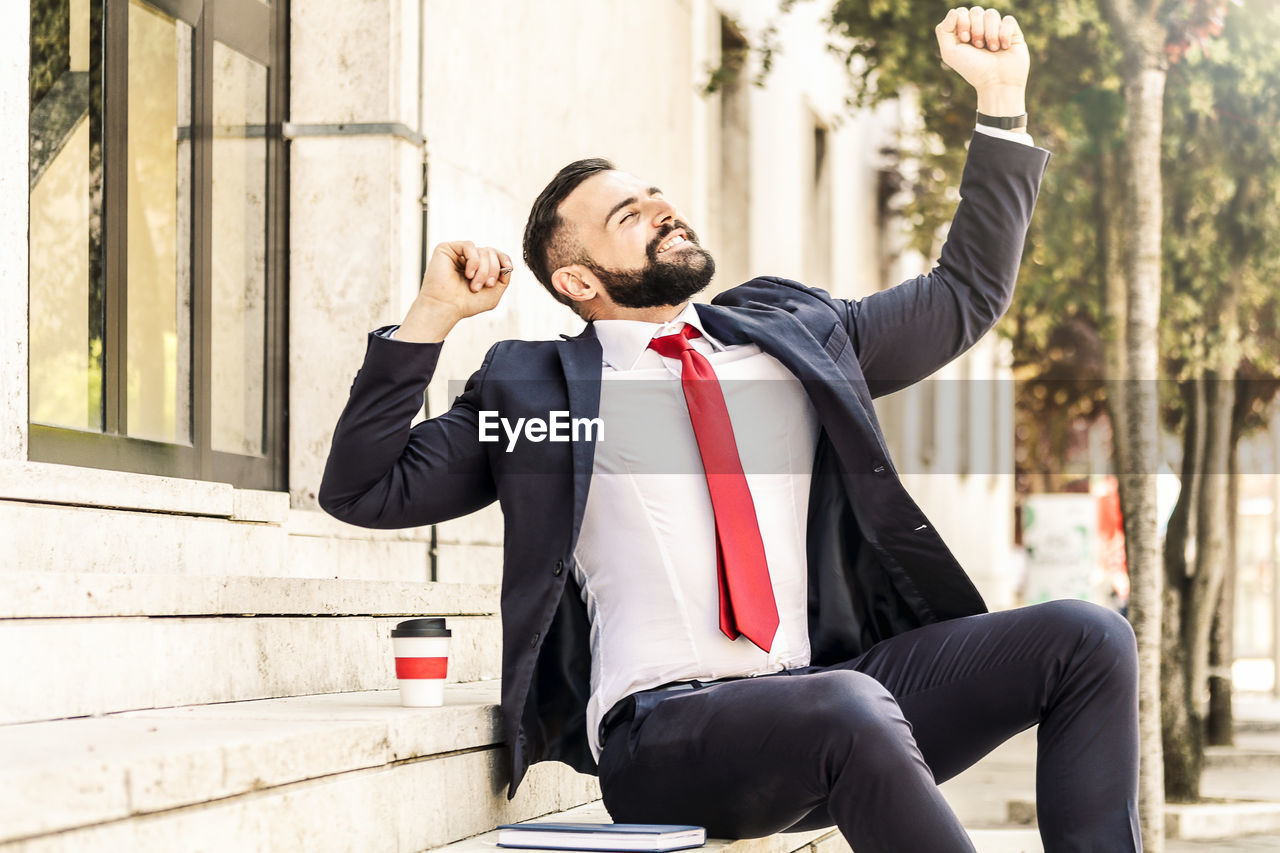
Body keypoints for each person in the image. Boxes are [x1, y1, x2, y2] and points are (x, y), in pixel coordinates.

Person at [320, 7, 1140, 852]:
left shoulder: (793, 335)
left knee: (1088, 637)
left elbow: (962, 297)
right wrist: (432, 315)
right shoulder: (535, 391)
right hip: (666, 736)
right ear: (577, 280)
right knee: (847, 705)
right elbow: (363, 488)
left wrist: (1001, 103)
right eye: (629, 218)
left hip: (822, 701)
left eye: (655, 197)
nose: (662, 211)